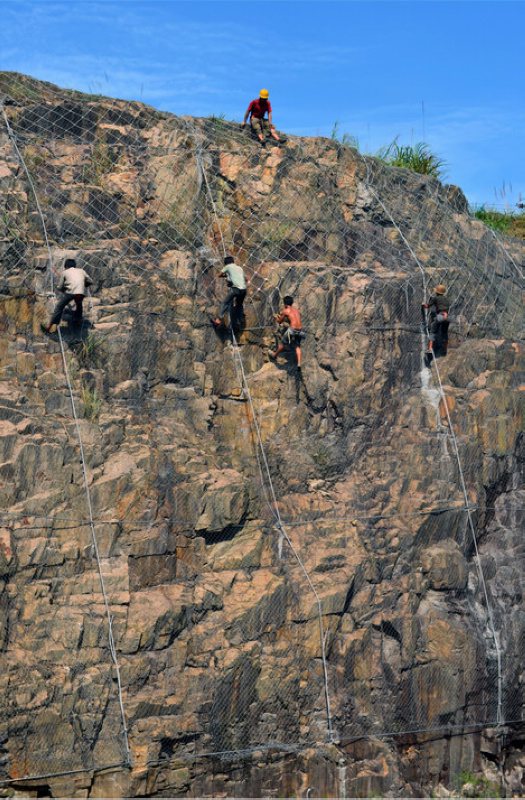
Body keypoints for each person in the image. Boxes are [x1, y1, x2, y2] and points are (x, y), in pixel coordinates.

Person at [41, 258, 93, 332]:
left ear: (66, 266)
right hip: (80, 293)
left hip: (71, 293)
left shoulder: (65, 272)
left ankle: (49, 326)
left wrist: (64, 290)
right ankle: (79, 322)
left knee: (59, 307)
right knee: (79, 305)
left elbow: (60, 286)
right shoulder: (82, 271)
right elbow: (90, 281)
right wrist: (84, 285)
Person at [268, 296, 304, 369]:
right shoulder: (296, 310)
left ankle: (274, 355)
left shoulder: (285, 311)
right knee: (297, 346)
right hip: (299, 330)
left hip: (292, 330)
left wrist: (276, 317)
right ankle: (299, 363)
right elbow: (292, 320)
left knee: (283, 344)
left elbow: (279, 321)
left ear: (285, 303)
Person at [212, 256, 247, 330]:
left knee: (225, 303)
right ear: (233, 261)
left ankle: (218, 319)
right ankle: (238, 322)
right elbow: (246, 278)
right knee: (239, 305)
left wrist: (226, 275)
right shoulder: (239, 268)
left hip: (236, 289)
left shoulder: (227, 266)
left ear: (226, 263)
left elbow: (219, 274)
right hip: (243, 290)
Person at [422, 284, 450, 358]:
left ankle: (430, 349)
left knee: (433, 332)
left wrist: (423, 304)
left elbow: (427, 306)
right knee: (444, 333)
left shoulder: (435, 298)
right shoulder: (446, 299)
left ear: (437, 292)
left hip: (440, 316)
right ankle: (445, 349)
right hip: (447, 317)